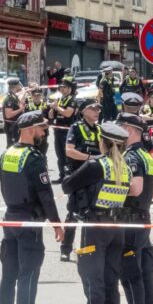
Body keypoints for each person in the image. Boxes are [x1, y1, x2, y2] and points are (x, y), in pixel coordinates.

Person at [62, 122, 131, 304]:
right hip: (116, 228)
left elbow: (67, 186)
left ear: (102, 142)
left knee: (94, 283)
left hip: (95, 228)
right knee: (111, 282)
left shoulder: (96, 165)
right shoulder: (125, 167)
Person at [0, 111, 64, 304]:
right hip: (29, 221)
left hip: (10, 218)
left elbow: (3, 186)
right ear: (29, 130)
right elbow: (45, 195)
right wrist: (57, 224)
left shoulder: (7, 154)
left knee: (8, 275)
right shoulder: (34, 158)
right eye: (41, 128)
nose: (44, 132)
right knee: (29, 274)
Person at [115, 114, 153, 304]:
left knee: (132, 278)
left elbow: (136, 188)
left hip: (130, 222)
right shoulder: (146, 155)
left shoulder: (131, 156)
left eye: (121, 128)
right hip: (143, 219)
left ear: (130, 130)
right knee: (145, 276)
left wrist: (110, 189)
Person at [61, 100, 101, 262]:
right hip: (78, 175)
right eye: (93, 109)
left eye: (98, 109)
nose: (97, 111)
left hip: (96, 177)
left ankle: (92, 249)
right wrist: (91, 158)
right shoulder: (76, 128)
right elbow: (69, 151)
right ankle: (65, 249)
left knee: (94, 214)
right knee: (73, 213)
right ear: (83, 111)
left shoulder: (100, 129)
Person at [49, 80, 77, 183]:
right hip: (58, 130)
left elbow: (68, 113)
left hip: (68, 130)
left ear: (70, 89)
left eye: (65, 87)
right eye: (61, 87)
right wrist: (52, 108)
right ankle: (62, 175)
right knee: (60, 154)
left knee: (68, 155)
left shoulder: (72, 100)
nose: (62, 89)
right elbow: (51, 116)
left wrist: (57, 107)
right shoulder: (59, 100)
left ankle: (70, 176)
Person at [25, 87, 51, 155]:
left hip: (43, 133)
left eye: (38, 95)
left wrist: (46, 123)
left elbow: (50, 120)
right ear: (32, 96)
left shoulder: (46, 106)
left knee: (43, 153)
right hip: (31, 134)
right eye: (34, 95)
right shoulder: (28, 106)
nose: (36, 97)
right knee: (31, 154)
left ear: (41, 95)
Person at [2, 78, 26, 147]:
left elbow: (19, 103)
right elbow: (8, 115)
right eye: (19, 84)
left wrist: (24, 93)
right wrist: (20, 109)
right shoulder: (10, 98)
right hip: (11, 127)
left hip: (16, 127)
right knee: (12, 147)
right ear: (16, 86)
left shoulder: (14, 96)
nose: (20, 86)